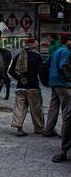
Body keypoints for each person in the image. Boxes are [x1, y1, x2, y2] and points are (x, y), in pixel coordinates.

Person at [9, 38, 44, 136]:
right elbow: (41, 72)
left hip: (20, 86)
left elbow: (11, 71)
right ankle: (39, 128)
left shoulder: (18, 55)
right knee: (36, 109)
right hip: (33, 86)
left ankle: (19, 129)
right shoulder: (37, 56)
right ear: (33, 45)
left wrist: (20, 78)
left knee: (19, 108)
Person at [46, 35, 71, 163]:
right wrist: (69, 79)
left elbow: (46, 63)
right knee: (68, 114)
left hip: (54, 83)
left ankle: (48, 129)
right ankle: (63, 149)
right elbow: (64, 67)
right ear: (67, 41)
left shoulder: (56, 50)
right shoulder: (66, 51)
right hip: (63, 84)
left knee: (54, 107)